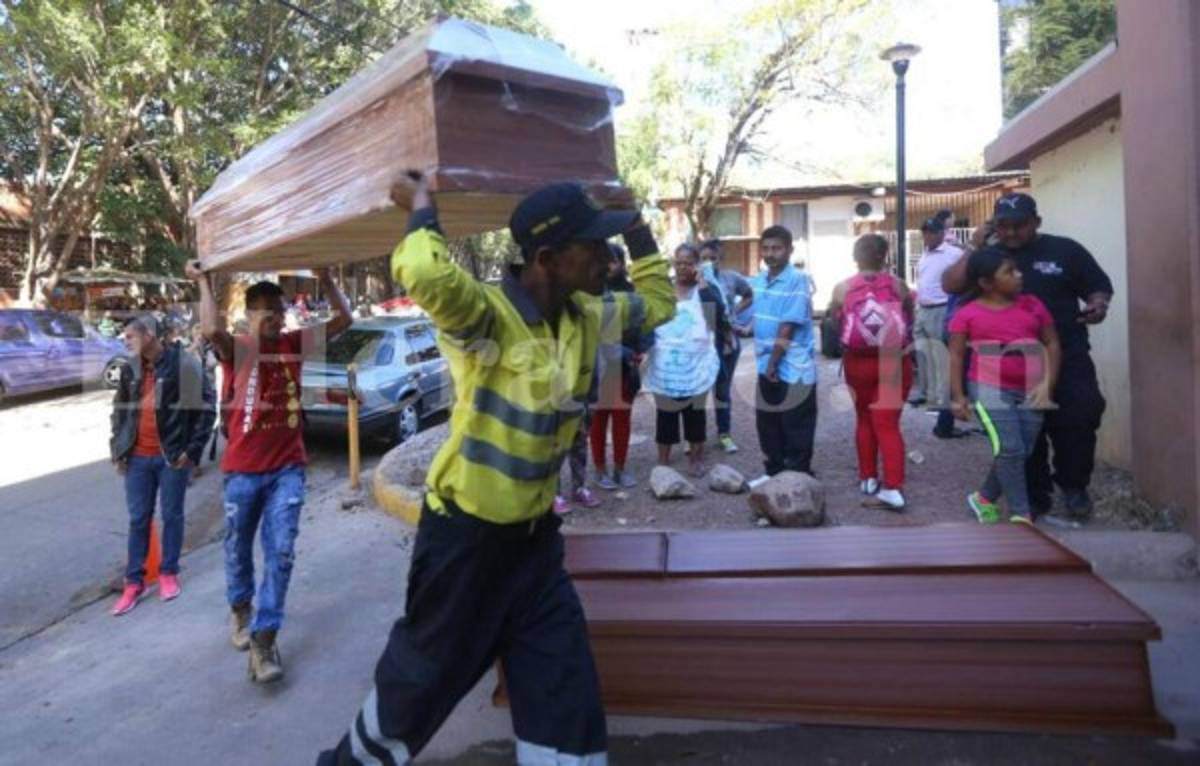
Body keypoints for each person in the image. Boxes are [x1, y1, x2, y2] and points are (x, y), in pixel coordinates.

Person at [318, 173, 674, 766]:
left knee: (566, 695)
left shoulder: (588, 313)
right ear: (547, 258)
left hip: (535, 551)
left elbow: (660, 302)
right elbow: (427, 272)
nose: (607, 257)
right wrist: (422, 205)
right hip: (465, 547)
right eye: (594, 246)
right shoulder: (484, 320)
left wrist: (635, 226)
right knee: (416, 691)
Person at [186, 261, 352, 683]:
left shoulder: (295, 344)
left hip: (288, 469)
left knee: (280, 552)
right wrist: (203, 282)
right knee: (238, 550)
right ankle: (241, 611)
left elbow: (345, 319)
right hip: (242, 471)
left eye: (281, 311)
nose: (278, 318)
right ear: (251, 315)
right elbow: (209, 332)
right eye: (268, 312)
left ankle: (264, 640)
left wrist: (327, 278)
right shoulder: (238, 349)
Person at [943, 193, 1113, 521]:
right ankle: (1033, 497)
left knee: (1081, 416)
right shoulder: (989, 257)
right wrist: (975, 246)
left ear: (1036, 222)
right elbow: (950, 284)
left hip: (1065, 351)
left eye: (1018, 225)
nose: (1010, 233)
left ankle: (1074, 486)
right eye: (1002, 226)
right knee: (1023, 435)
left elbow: (1098, 286)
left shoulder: (1065, 250)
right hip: (1006, 365)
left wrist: (1098, 305)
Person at [109, 314, 216, 615]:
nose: (125, 341)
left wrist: (193, 451)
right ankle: (134, 582)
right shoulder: (130, 369)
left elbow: (206, 408)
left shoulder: (182, 364)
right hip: (137, 458)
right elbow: (119, 412)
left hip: (171, 458)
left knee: (172, 515)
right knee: (138, 519)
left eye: (130, 336)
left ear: (150, 335)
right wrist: (118, 449)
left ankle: (169, 572)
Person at [948, 247, 1062, 523]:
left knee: (1022, 451)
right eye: (1009, 272)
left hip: (1032, 387)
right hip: (988, 387)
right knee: (1010, 449)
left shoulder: (1033, 304)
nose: (1019, 275)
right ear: (986, 283)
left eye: (1016, 269)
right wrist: (958, 396)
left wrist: (1048, 383)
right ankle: (1022, 515)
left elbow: (1052, 342)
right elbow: (956, 355)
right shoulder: (967, 313)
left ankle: (984, 497)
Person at [828, 235, 914, 511]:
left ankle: (867, 477)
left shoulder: (842, 288)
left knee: (864, 418)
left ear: (855, 257)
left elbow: (833, 320)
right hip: (893, 361)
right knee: (888, 425)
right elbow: (909, 316)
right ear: (884, 257)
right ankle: (893, 487)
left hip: (858, 364)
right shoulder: (898, 286)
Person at [643, 243, 726, 478]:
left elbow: (716, 316)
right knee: (665, 414)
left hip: (696, 363)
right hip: (665, 363)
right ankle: (663, 461)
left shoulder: (706, 289)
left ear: (697, 265)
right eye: (678, 262)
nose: (682, 267)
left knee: (695, 414)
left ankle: (696, 459)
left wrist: (702, 283)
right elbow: (650, 318)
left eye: (688, 263)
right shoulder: (665, 290)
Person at [749, 225, 818, 478]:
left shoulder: (797, 280)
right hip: (765, 363)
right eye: (766, 248)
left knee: (796, 423)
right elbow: (759, 314)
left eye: (776, 248)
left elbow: (787, 326)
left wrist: (773, 363)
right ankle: (773, 473)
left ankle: (799, 477)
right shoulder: (759, 281)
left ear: (789, 250)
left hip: (793, 366)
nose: (770, 253)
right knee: (768, 423)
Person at [590, 244, 653, 489]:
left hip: (625, 369)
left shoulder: (634, 295)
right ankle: (599, 470)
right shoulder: (590, 293)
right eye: (604, 261)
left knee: (622, 420)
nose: (609, 266)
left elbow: (646, 328)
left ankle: (620, 468)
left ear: (622, 263)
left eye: (613, 260)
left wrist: (642, 352)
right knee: (598, 421)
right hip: (598, 368)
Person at [699, 239, 754, 453]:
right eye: (703, 258)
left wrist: (734, 313)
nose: (708, 262)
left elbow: (749, 294)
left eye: (713, 258)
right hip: (702, 342)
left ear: (720, 259)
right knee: (698, 390)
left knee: (722, 390)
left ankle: (724, 433)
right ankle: (695, 436)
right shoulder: (694, 282)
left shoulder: (731, 278)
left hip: (727, 341)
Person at [911, 216, 964, 422]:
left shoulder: (954, 253)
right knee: (924, 357)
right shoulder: (924, 253)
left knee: (940, 358)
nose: (927, 236)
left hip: (941, 309)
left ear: (942, 233)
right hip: (923, 309)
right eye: (924, 232)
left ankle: (941, 402)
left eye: (931, 232)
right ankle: (928, 396)